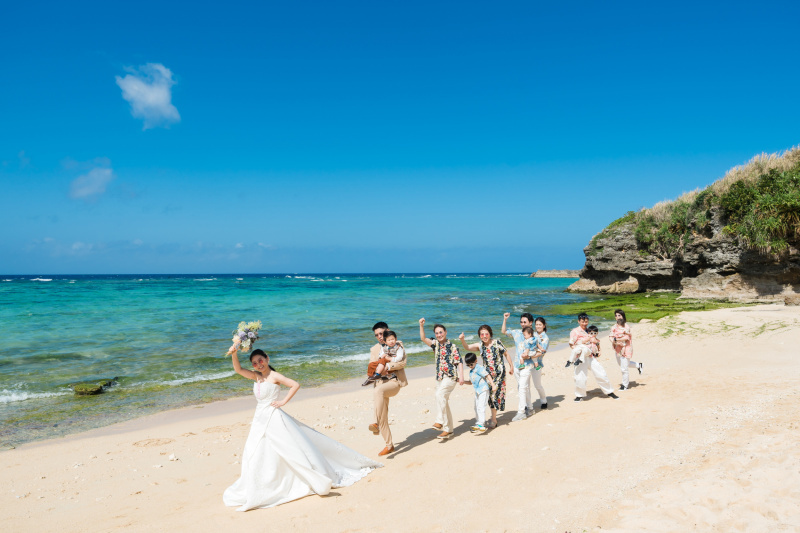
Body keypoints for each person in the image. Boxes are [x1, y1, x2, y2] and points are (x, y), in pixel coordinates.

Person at [223, 344, 381, 511]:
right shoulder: (257, 377)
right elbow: (238, 369)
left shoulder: (274, 376)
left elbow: (295, 385)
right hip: (259, 418)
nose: (258, 364)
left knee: (287, 448)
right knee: (257, 450)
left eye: (260, 360)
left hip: (273, 416)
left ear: (267, 358)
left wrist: (283, 402)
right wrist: (234, 353)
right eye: (254, 363)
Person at [459, 325, 513, 428]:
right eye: (482, 334)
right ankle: (490, 418)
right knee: (489, 396)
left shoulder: (497, 343)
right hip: (486, 375)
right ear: (479, 336)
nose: (484, 336)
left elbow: (506, 354)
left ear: (490, 334)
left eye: (486, 334)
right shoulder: (480, 345)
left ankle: (493, 419)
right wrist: (462, 340)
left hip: (499, 374)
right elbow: (467, 347)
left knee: (494, 395)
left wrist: (511, 366)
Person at [367, 322, 408, 456]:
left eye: (381, 333)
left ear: (387, 331)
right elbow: (372, 367)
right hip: (380, 383)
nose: (379, 336)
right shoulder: (374, 349)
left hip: (394, 381)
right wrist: (377, 369)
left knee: (377, 392)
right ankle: (389, 445)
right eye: (376, 335)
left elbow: (402, 362)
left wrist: (387, 367)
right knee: (383, 414)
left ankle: (376, 422)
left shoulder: (397, 343)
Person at [419, 318, 464, 440]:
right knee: (443, 401)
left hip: (451, 376)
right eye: (437, 333)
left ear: (445, 332)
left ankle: (439, 421)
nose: (439, 334)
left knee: (439, 395)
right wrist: (421, 326)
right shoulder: (435, 344)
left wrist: (461, 376)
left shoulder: (453, 346)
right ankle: (448, 430)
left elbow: (459, 361)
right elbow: (423, 338)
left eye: (441, 332)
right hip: (439, 377)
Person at [501, 312, 548, 421]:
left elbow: (540, 351)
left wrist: (529, 357)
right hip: (517, 364)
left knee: (523, 387)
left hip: (528, 365)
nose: (522, 324)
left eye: (525, 322)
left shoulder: (536, 336)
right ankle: (530, 408)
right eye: (521, 322)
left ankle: (521, 412)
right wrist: (505, 319)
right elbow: (503, 331)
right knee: (522, 387)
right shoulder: (517, 333)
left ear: (531, 323)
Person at [570, 313, 619, 402]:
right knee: (580, 377)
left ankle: (609, 391)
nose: (584, 323)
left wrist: (598, 349)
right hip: (580, 357)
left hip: (591, 356)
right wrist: (578, 350)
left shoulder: (590, 330)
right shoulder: (574, 331)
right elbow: (571, 344)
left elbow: (596, 341)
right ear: (578, 321)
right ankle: (579, 395)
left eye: (586, 321)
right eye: (582, 321)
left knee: (601, 373)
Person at [609, 309, 643, 391]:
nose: (618, 317)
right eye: (616, 315)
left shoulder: (626, 327)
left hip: (626, 349)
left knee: (624, 369)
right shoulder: (614, 327)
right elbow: (610, 337)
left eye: (619, 315)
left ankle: (625, 385)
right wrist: (616, 342)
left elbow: (627, 337)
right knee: (622, 365)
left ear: (623, 316)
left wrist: (616, 339)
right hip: (617, 349)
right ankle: (638, 365)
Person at [463, 352, 496, 433]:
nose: (470, 366)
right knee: (476, 407)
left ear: (476, 361)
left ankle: (481, 423)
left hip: (484, 389)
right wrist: (462, 381)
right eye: (468, 365)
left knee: (481, 406)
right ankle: (478, 423)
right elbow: (470, 382)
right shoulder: (471, 371)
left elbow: (487, 375)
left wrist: (493, 385)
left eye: (471, 364)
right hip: (477, 391)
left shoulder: (479, 367)